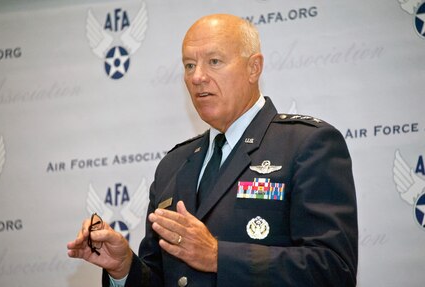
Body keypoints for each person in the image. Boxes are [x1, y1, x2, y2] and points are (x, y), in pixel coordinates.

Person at [67, 14, 358, 287]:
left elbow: (334, 269)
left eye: (214, 61)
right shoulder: (174, 165)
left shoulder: (307, 144)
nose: (197, 77)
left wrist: (219, 256)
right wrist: (124, 268)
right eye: (189, 65)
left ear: (253, 67)